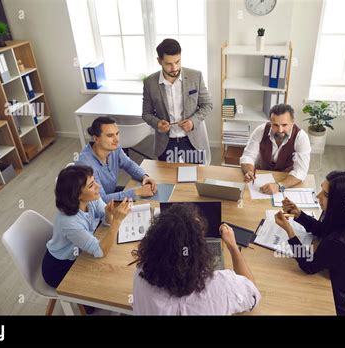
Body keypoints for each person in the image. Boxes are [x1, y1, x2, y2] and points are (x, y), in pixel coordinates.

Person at [274, 170, 345, 315]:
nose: (318, 197)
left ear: (341, 202)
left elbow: (309, 266)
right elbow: (323, 229)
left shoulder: (341, 240)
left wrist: (290, 233)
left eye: (326, 194)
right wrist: (299, 214)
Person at [131, 203, 261, 315]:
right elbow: (253, 293)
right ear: (201, 251)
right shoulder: (223, 286)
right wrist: (233, 247)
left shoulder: (140, 275)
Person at [42, 165, 131, 290]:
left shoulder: (91, 197)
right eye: (91, 185)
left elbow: (106, 221)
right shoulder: (69, 222)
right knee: (104, 283)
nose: (98, 186)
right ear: (77, 195)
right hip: (60, 267)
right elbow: (100, 251)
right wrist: (117, 221)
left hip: (79, 252)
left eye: (94, 181)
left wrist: (109, 214)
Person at [142, 38, 212, 164]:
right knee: (168, 180)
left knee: (193, 178)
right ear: (159, 61)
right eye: (168, 64)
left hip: (192, 140)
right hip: (166, 142)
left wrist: (192, 121)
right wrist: (157, 123)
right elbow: (146, 114)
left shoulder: (196, 76)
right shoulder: (149, 83)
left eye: (177, 61)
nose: (174, 68)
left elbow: (207, 105)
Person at [76, 116, 157, 203]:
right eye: (110, 135)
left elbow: (128, 164)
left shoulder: (114, 148)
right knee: (143, 199)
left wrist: (144, 176)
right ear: (96, 139)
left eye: (117, 134)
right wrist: (137, 192)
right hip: (96, 206)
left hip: (111, 192)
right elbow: (100, 199)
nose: (116, 140)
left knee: (153, 196)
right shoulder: (86, 164)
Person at [240, 104, 311, 194]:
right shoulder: (260, 131)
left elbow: (301, 171)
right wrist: (249, 171)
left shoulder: (301, 137)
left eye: (284, 125)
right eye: (276, 125)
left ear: (292, 122)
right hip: (261, 177)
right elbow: (248, 156)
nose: (280, 130)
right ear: (270, 122)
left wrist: (279, 186)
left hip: (286, 178)